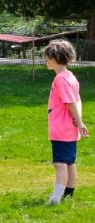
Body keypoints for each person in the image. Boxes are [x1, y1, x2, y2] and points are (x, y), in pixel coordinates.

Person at [43, 39, 89, 205]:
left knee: (59, 163)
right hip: (69, 129)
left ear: (54, 59)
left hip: (62, 129)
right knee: (70, 162)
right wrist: (78, 124)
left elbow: (70, 102)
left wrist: (80, 122)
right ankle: (68, 194)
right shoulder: (70, 76)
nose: (45, 61)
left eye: (47, 58)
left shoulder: (60, 79)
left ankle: (55, 198)